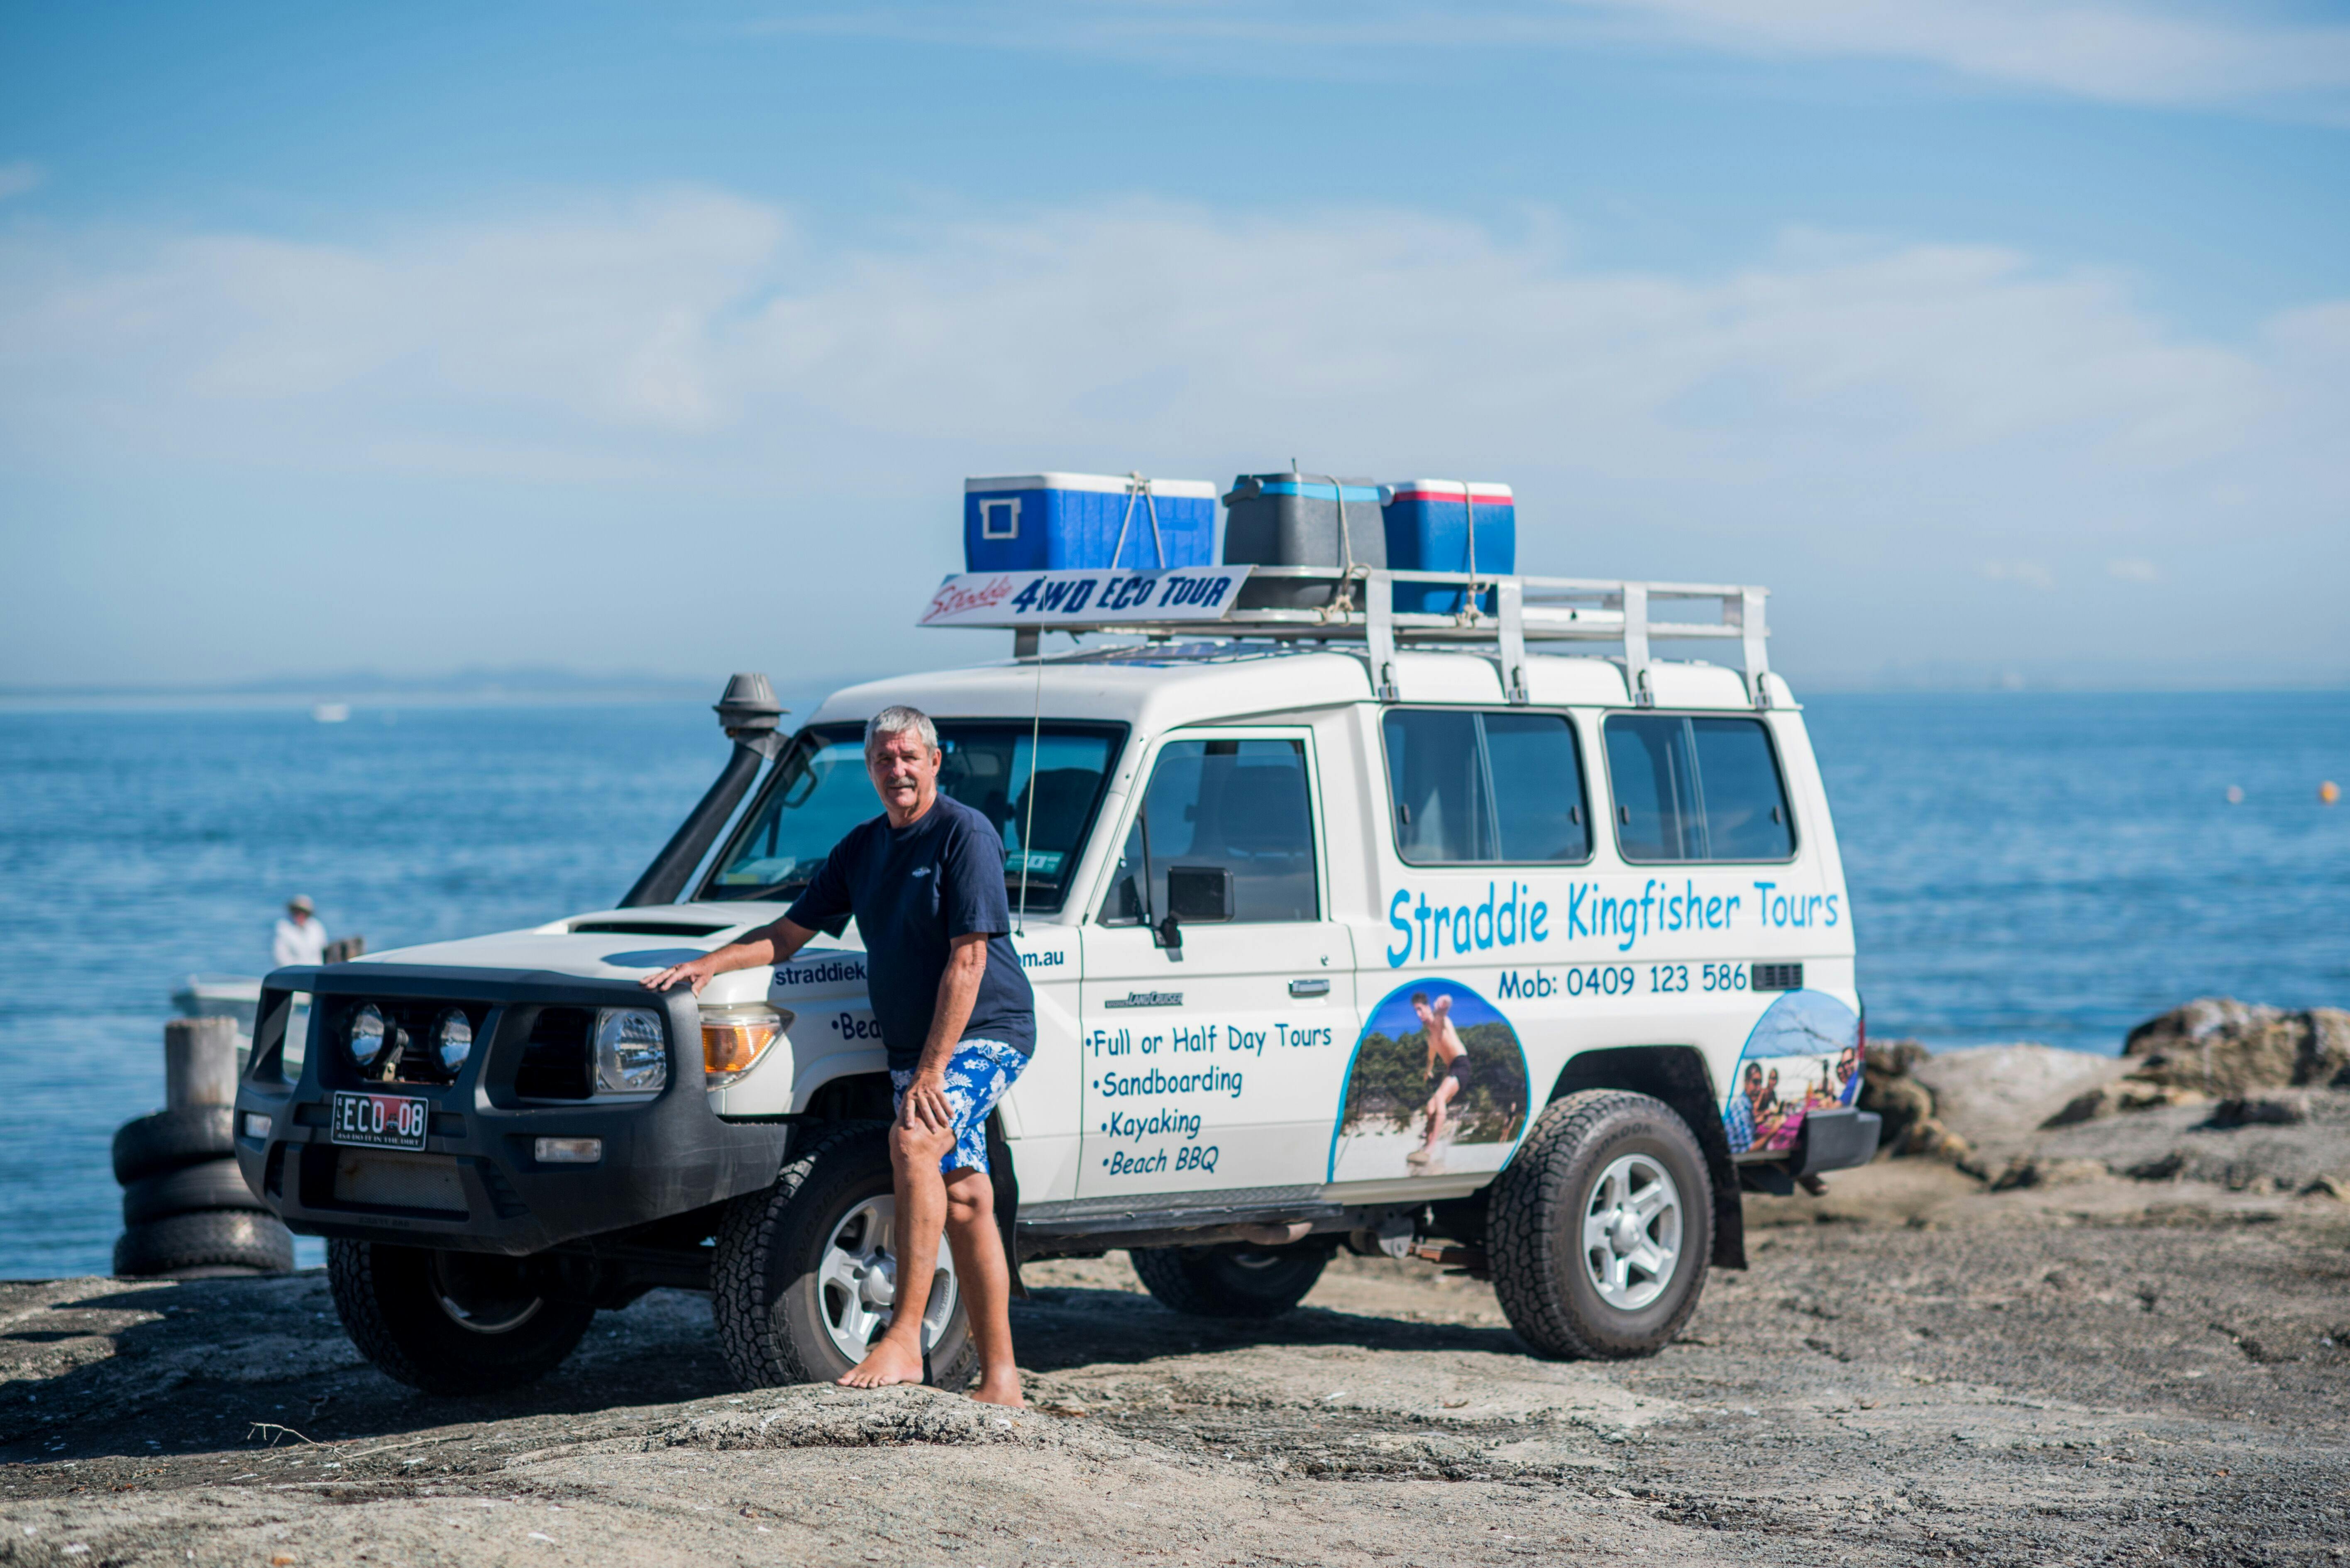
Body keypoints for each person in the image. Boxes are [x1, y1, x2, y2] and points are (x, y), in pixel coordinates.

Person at [642, 705, 1034, 1407]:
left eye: (909, 756)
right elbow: (787, 933)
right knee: (967, 1196)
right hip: (915, 1045)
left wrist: (931, 1072)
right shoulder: (861, 847)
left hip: (985, 1031)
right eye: (884, 758)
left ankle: (904, 1335)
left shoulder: (965, 833)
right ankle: (1001, 1378)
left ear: (935, 761)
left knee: (913, 1140)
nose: (897, 769)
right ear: (870, 769)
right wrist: (709, 964)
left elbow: (969, 960)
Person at [1405, 991, 1470, 1171]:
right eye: (1416, 1011)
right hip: (1452, 1070)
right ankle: (1427, 1145)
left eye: (1420, 1009)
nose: (1419, 1014)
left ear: (1428, 1007)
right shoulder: (1430, 1037)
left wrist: (1445, 1000)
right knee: (1430, 1107)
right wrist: (1428, 1070)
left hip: (1461, 1065)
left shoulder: (1439, 1021)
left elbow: (1445, 1007)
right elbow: (1431, 1057)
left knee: (1440, 1098)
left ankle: (1430, 1149)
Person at [272, 896, 328, 968]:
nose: (301, 915)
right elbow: (281, 958)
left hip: (316, 970)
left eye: (304, 912)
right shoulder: (283, 927)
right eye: (297, 912)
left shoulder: (316, 927)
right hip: (292, 971)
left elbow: (322, 953)